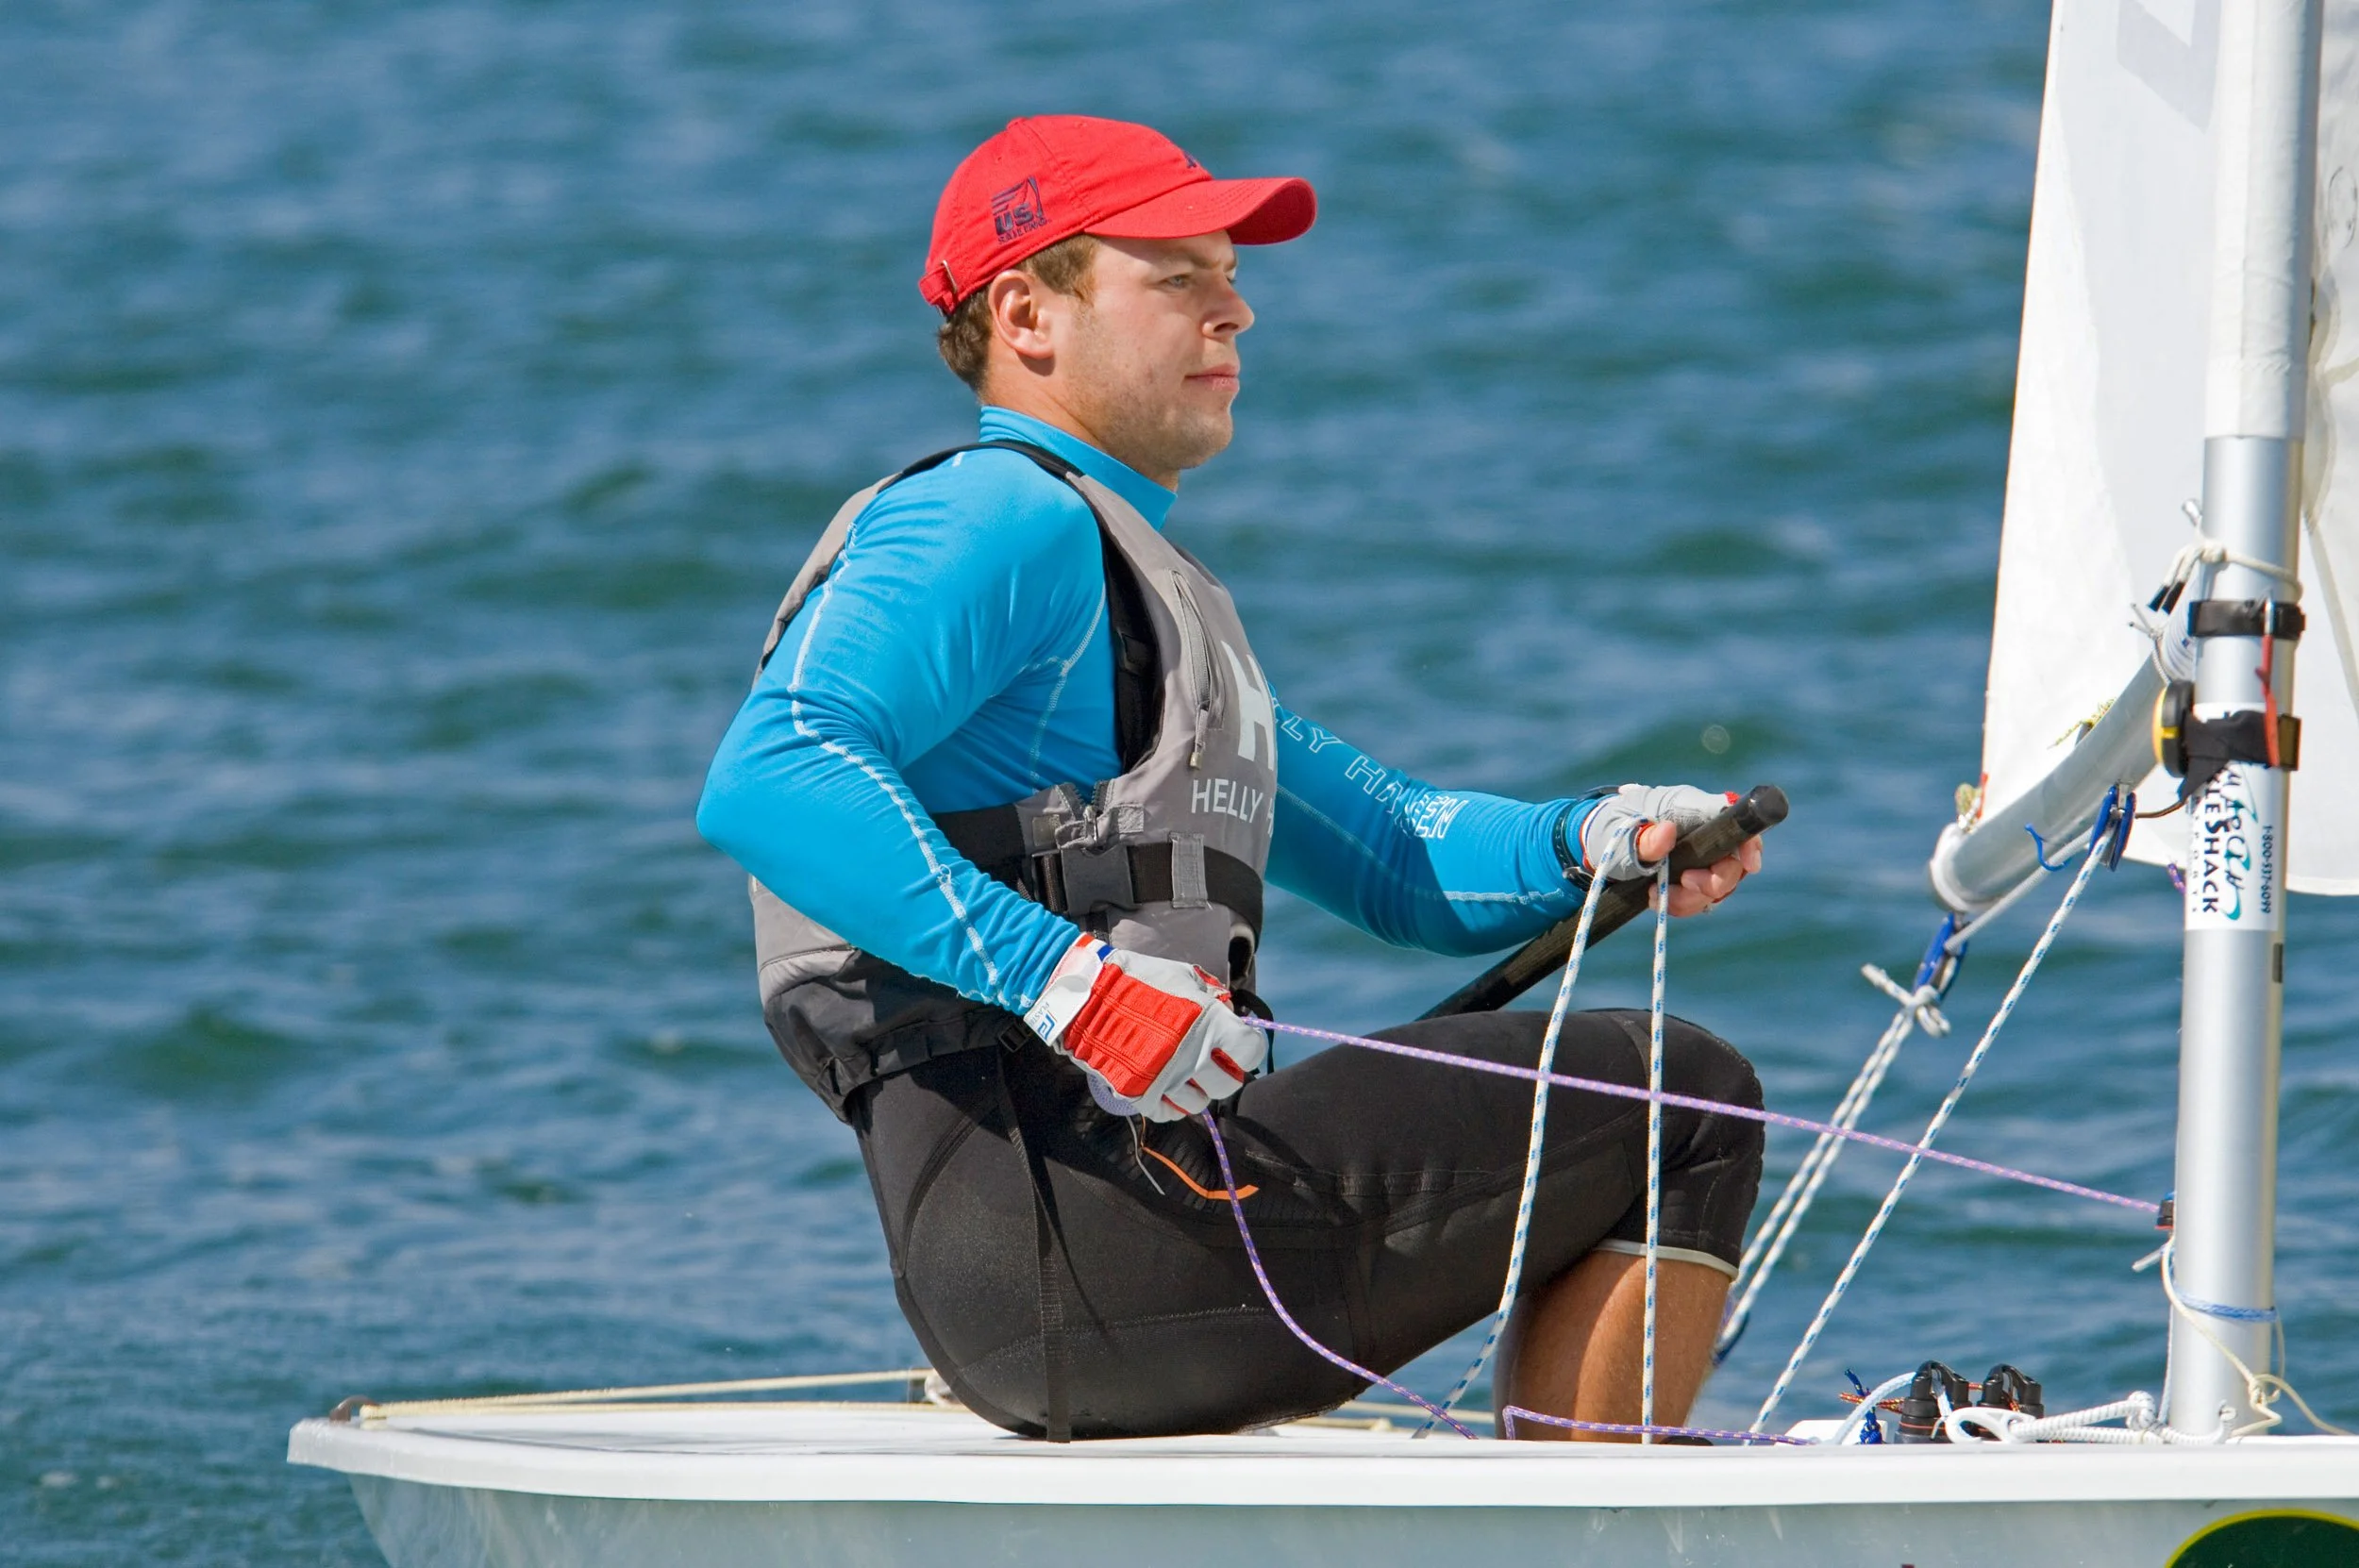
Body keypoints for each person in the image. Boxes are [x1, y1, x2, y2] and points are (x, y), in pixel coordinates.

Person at [697, 115, 1765, 1443]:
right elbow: (773, 769)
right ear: (1031, 313)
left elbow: (1391, 849)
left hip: (1111, 1254)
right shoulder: (998, 516)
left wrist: (1600, 834)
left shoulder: (1139, 585)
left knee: (1649, 1093)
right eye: (1180, 276)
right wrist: (1073, 987)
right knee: (1678, 1103)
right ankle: (1595, 1528)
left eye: (1233, 274)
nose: (1238, 309)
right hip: (1085, 1250)